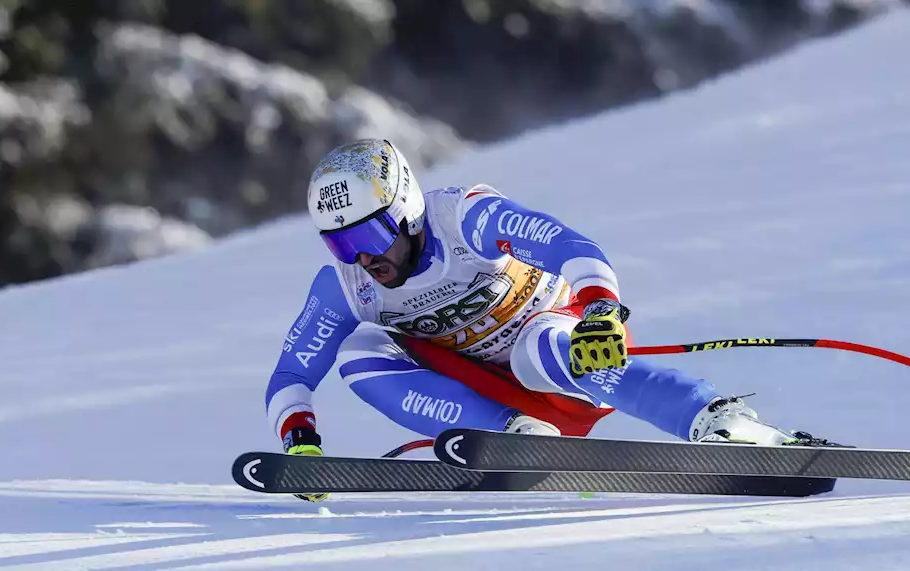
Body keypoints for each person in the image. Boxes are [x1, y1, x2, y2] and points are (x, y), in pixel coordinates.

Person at [266, 139, 831, 501]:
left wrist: (600, 310)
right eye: (340, 244)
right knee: (359, 351)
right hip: (495, 395)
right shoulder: (347, 285)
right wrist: (301, 444)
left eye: (368, 236)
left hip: (572, 355)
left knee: (536, 350)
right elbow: (291, 374)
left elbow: (569, 245)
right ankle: (510, 438)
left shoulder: (463, 216)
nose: (362, 258)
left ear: (407, 211)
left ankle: (717, 421)